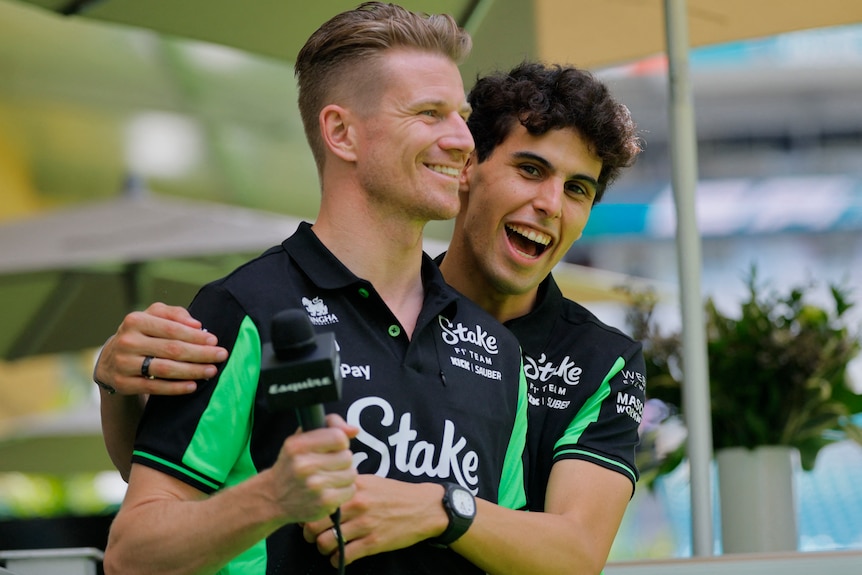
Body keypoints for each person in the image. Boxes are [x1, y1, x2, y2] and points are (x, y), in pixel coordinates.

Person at [97, 61, 645, 574]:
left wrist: (438, 507)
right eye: (529, 170)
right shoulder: (300, 301)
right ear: (466, 170)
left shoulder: (595, 359)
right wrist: (117, 389)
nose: (551, 203)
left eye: (577, 190)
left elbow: (578, 552)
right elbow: (169, 488)